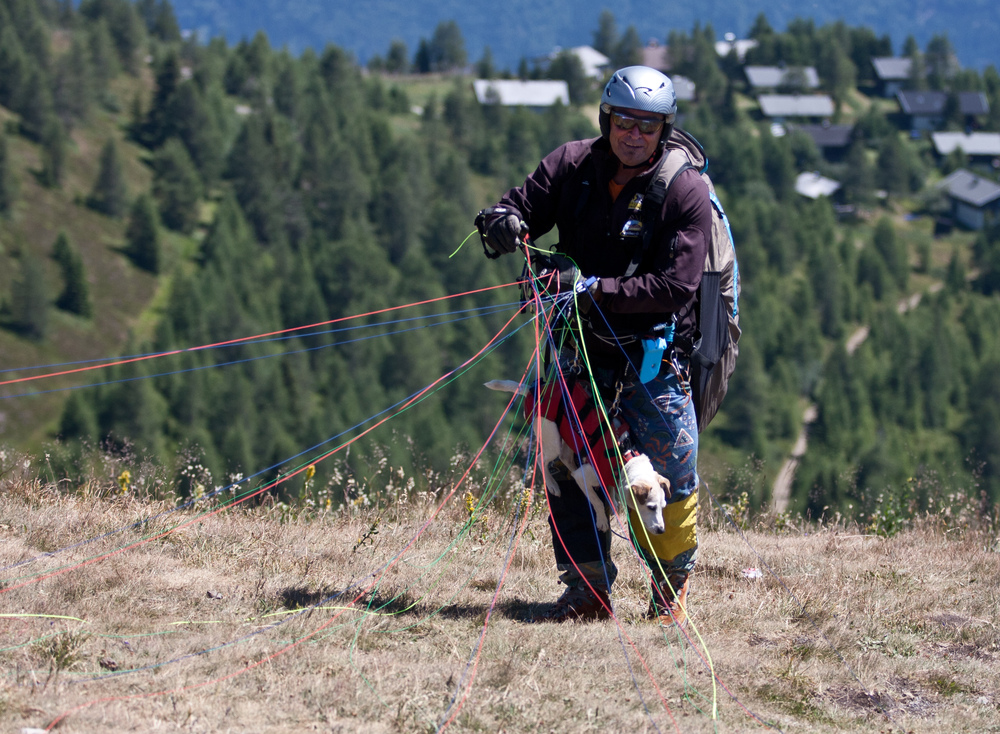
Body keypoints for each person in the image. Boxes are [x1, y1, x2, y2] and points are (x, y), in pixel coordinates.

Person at [476, 66, 711, 626]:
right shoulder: (571, 166)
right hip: (578, 354)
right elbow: (519, 207)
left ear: (664, 130)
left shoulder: (685, 190)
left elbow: (675, 287)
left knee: (670, 478)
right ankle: (586, 590)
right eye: (625, 121)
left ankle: (669, 589)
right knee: (562, 462)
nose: (635, 135)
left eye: (648, 126)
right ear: (606, 119)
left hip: (652, 358)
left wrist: (584, 291)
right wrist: (504, 223)